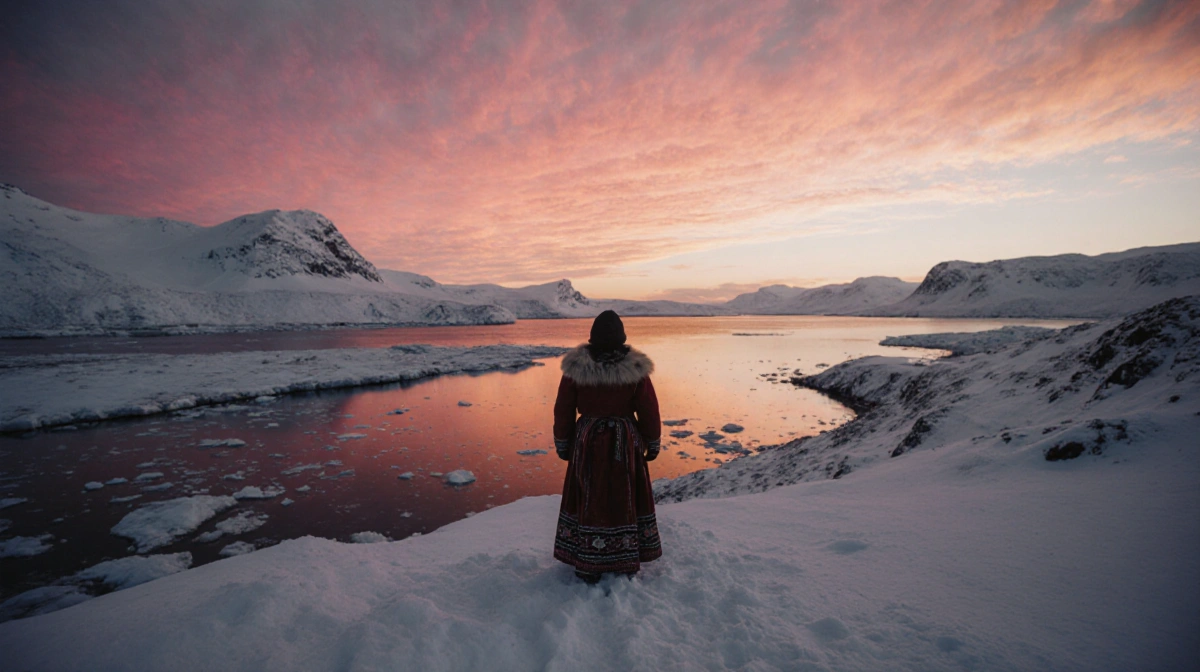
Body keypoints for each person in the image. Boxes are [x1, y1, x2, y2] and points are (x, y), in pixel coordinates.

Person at [552, 310, 663, 584]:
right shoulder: (636, 370)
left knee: (590, 495)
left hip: (587, 440)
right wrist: (652, 441)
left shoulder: (576, 369)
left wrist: (564, 443)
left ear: (592, 338)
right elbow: (648, 409)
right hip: (624, 441)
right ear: (622, 338)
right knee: (623, 495)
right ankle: (624, 557)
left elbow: (563, 409)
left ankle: (588, 561)